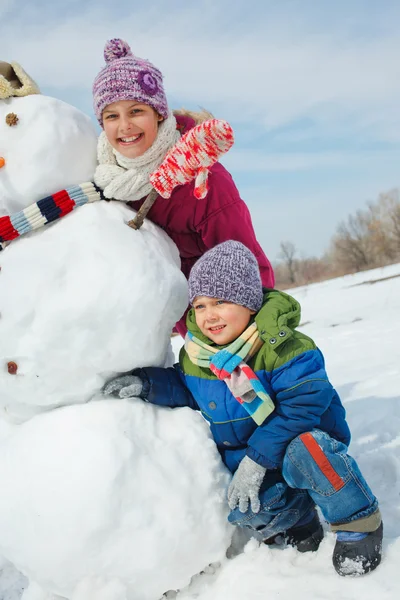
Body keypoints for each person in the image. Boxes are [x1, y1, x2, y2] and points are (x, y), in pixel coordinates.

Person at [103, 240, 383, 577]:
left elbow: (303, 407)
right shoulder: (198, 359)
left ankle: (358, 521)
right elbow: (186, 388)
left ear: (249, 302)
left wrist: (256, 459)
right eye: (200, 306)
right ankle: (300, 522)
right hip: (252, 456)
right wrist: (148, 384)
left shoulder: (285, 348)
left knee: (307, 450)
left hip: (299, 443)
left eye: (220, 301)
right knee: (245, 506)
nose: (209, 315)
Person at [92, 38, 274, 335]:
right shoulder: (105, 179)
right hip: (167, 324)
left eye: (136, 111)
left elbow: (245, 265)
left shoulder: (203, 180)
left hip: (224, 323)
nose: (124, 126)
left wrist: (249, 337)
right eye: (112, 116)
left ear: (160, 113)